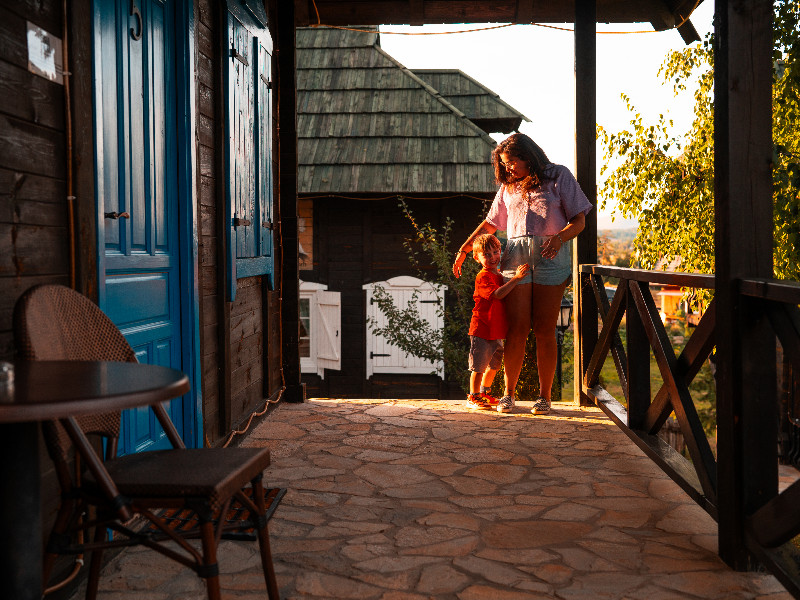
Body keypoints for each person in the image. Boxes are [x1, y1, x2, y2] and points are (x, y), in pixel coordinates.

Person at [453, 133, 593, 415]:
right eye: (504, 165)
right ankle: (508, 395)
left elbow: (579, 221)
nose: (508, 169)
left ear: (527, 156)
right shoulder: (508, 188)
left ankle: (544, 397)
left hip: (551, 256)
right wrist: (465, 249)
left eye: (511, 162)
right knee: (516, 329)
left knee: (544, 330)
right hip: (515, 257)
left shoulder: (558, 176)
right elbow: (490, 224)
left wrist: (560, 237)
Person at [466, 233, 529, 410]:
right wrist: (516, 278)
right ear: (477, 257)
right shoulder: (483, 277)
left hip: (497, 330)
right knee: (479, 365)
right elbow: (498, 294)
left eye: (495, 252)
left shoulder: (499, 275)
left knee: (493, 365)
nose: (493, 257)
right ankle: (474, 395)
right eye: (487, 254)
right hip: (483, 328)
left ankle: (485, 392)